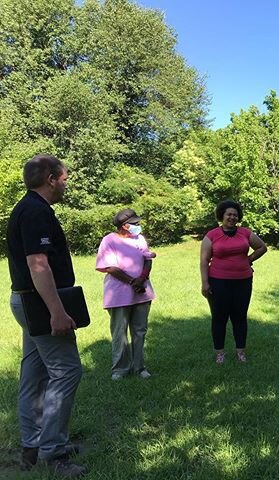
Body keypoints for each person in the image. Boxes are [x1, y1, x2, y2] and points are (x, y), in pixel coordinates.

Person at [7, 154, 87, 476]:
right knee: (67, 371)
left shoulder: (27, 208)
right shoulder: (36, 212)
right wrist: (57, 311)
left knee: (34, 374)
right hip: (40, 306)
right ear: (51, 179)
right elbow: (38, 265)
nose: (67, 184)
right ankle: (54, 453)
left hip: (29, 303)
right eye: (65, 178)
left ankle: (32, 446)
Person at [200, 200, 267, 364]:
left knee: (240, 317)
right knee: (219, 318)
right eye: (229, 214)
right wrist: (205, 283)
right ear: (222, 215)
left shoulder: (245, 233)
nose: (232, 217)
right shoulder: (212, 235)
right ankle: (220, 353)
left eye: (235, 215)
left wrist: (249, 260)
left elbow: (262, 247)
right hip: (218, 282)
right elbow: (204, 260)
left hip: (243, 282)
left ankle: (240, 352)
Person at [96, 208, 156, 381]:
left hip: (142, 292)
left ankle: (139, 367)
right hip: (118, 294)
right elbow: (109, 267)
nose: (138, 226)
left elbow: (147, 259)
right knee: (119, 331)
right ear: (124, 226)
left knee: (140, 330)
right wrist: (131, 281)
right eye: (135, 223)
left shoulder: (140, 239)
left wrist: (142, 278)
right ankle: (120, 369)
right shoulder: (109, 240)